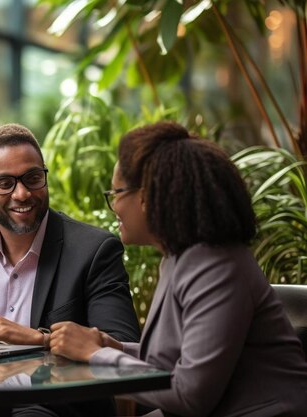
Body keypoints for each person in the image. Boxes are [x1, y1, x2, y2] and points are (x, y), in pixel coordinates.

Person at [49, 121, 307, 417]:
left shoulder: (216, 267)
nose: (114, 205)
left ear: (145, 197)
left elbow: (191, 394)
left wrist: (96, 355)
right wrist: (115, 347)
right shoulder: (178, 259)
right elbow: (173, 362)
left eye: (116, 193)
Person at [0, 123, 140, 416]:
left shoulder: (93, 249)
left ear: (44, 175)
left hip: (56, 406)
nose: (22, 194)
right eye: (5, 183)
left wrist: (39, 338)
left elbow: (120, 344)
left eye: (32, 178)